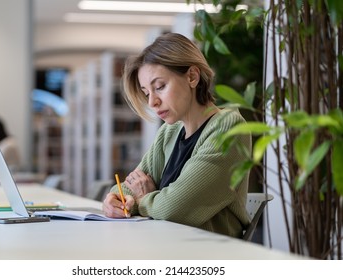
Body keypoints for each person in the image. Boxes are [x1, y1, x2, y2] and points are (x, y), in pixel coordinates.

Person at [102, 32, 251, 238]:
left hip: (207, 257)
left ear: (192, 76)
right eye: (147, 93)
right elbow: (128, 188)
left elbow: (171, 209)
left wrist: (144, 198)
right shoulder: (170, 132)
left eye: (160, 87)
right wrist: (114, 200)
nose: (152, 102)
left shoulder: (228, 128)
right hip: (166, 247)